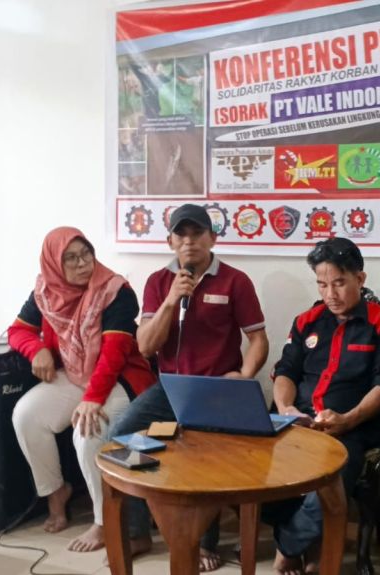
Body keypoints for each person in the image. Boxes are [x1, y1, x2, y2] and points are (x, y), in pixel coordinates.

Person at [110, 204, 269, 571]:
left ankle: (201, 540)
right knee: (119, 439)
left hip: (218, 388)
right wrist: (171, 301)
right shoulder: (158, 282)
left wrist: (244, 375)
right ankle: (141, 528)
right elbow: (146, 346)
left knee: (203, 452)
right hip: (171, 388)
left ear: (212, 238)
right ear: (170, 241)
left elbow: (258, 340)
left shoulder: (235, 280)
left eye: (197, 233)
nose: (189, 241)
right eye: (180, 235)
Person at [264, 237, 380, 575]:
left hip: (351, 430)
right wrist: (285, 408)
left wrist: (348, 419)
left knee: (329, 487)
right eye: (322, 284)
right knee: (251, 470)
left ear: (360, 278)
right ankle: (310, 544)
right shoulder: (306, 321)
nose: (331, 294)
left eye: (339, 283)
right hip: (297, 423)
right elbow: (285, 372)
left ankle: (289, 546)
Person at [8, 226, 155, 553]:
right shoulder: (45, 292)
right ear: (53, 264)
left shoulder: (114, 290)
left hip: (121, 377)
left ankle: (104, 521)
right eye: (71, 258)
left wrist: (93, 399)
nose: (82, 264)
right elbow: (17, 331)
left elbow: (114, 353)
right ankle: (55, 491)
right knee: (26, 415)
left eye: (86, 254)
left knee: (88, 431)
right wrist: (37, 349)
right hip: (76, 374)